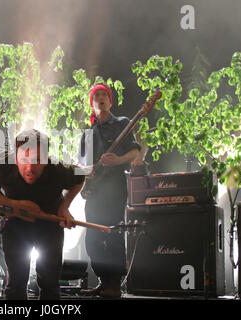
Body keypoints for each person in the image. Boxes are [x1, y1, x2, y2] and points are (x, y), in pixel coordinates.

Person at [0, 129, 85, 300]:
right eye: (24, 158)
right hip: (15, 220)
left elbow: (81, 176)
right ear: (15, 156)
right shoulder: (3, 161)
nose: (30, 167)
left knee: (50, 285)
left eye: (37, 160)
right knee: (15, 284)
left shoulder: (58, 170)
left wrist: (64, 206)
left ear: (46, 159)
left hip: (49, 221)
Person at [79, 83, 140, 298]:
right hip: (94, 191)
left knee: (113, 234)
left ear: (110, 101)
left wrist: (118, 160)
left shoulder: (122, 124)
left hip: (114, 188)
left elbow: (135, 152)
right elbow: (83, 164)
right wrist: (86, 175)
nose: (101, 98)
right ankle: (104, 281)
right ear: (92, 103)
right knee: (92, 236)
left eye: (105, 94)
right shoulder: (87, 133)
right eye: (97, 95)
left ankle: (115, 283)